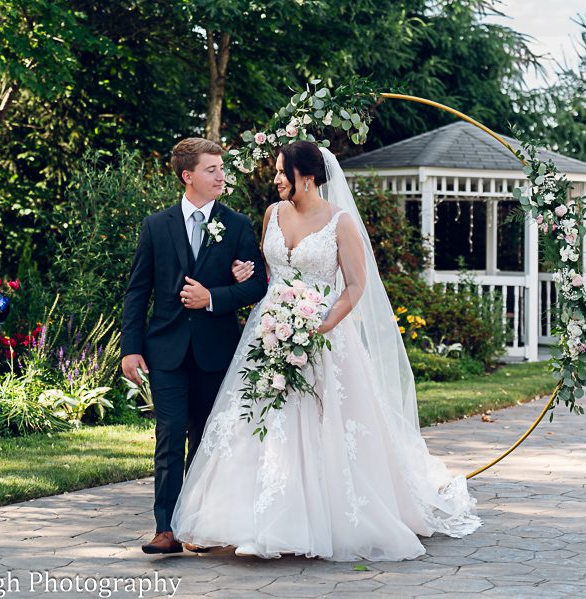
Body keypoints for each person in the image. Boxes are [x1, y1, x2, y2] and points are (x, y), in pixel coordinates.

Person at [171, 140, 481, 561]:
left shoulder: (341, 223)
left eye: (283, 172)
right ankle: (241, 520)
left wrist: (323, 323)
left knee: (321, 426)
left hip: (323, 337)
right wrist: (242, 271)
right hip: (269, 332)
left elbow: (355, 286)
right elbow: (266, 272)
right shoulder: (272, 215)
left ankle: (312, 519)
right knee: (255, 422)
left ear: (308, 177)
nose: (276, 179)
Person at [121, 137, 268, 554]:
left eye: (222, 169)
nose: (222, 176)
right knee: (169, 434)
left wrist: (214, 298)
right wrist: (130, 348)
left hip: (215, 349)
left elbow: (258, 284)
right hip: (165, 349)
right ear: (188, 176)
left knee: (206, 439)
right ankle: (165, 528)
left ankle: (198, 526)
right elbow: (138, 291)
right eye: (212, 169)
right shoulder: (156, 225)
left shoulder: (237, 225)